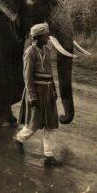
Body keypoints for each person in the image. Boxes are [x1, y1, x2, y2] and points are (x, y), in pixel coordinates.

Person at [15, 23, 63, 167]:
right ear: (37, 37)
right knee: (34, 124)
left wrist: (54, 91)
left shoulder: (47, 51)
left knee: (51, 124)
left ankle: (49, 155)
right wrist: (32, 97)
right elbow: (27, 77)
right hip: (36, 92)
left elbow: (50, 73)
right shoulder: (30, 52)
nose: (48, 37)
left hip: (48, 92)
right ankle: (19, 139)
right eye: (46, 35)